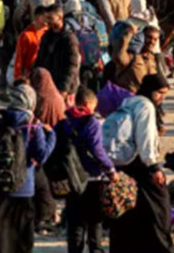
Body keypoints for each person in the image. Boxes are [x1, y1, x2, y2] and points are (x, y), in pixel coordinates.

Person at [0, 81, 56, 253]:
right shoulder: (33, 125)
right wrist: (51, 135)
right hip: (21, 190)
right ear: (31, 102)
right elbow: (41, 156)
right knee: (18, 243)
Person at [107, 73, 172, 253]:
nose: (162, 97)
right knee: (159, 209)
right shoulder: (146, 106)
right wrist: (153, 166)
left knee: (129, 208)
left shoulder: (128, 101)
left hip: (125, 164)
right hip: (141, 165)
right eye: (159, 92)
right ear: (150, 90)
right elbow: (145, 138)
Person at [56, 87, 114, 253]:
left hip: (71, 177)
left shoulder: (64, 121)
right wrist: (110, 169)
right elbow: (97, 150)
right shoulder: (92, 122)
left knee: (75, 222)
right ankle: (95, 249)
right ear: (89, 103)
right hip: (92, 177)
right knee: (94, 220)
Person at [35, 4, 81, 104]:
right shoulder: (47, 36)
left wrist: (64, 89)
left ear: (60, 18)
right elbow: (40, 59)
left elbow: (72, 66)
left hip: (65, 89)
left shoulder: (70, 39)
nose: (47, 21)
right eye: (46, 18)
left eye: (50, 18)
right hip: (48, 86)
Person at [13, 5, 51, 81]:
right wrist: (18, 79)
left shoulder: (48, 32)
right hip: (30, 75)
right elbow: (19, 60)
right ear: (38, 17)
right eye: (45, 17)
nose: (48, 20)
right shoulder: (26, 35)